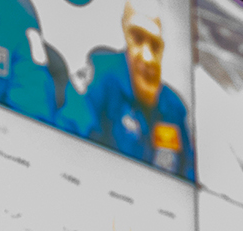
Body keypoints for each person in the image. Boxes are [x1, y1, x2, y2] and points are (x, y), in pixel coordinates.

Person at [61, 0, 194, 180]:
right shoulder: (99, 78)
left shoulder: (174, 108)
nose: (147, 58)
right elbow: (66, 141)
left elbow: (188, 175)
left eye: (155, 46)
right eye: (138, 38)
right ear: (125, 34)